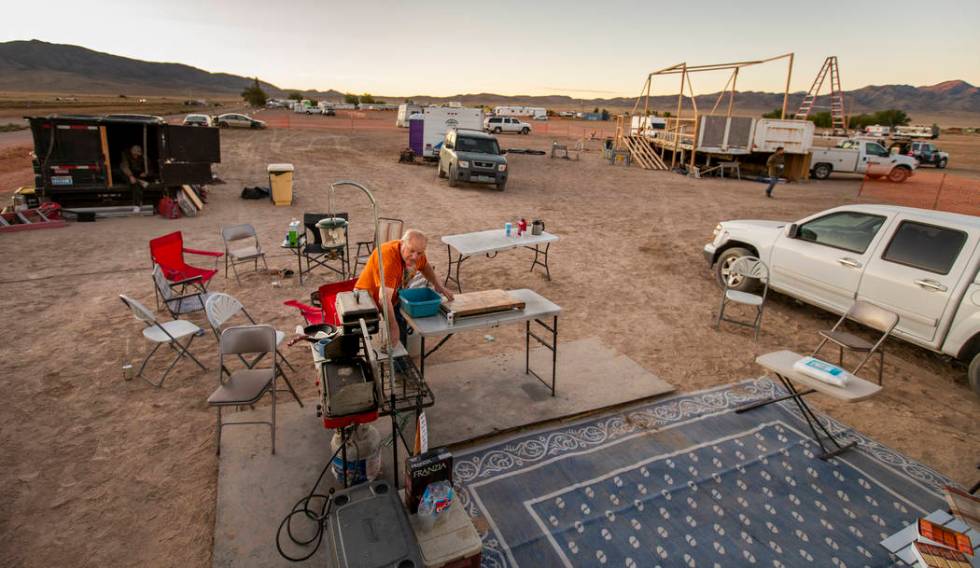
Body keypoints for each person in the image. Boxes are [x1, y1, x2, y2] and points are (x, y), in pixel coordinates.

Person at [354, 229, 455, 349]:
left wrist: (438, 285)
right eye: (411, 251)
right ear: (402, 243)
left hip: (392, 296)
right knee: (369, 339)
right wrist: (393, 327)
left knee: (399, 328)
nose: (414, 257)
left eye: (419, 253)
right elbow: (384, 298)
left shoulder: (418, 254)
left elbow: (425, 266)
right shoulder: (389, 257)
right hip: (367, 298)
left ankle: (400, 362)